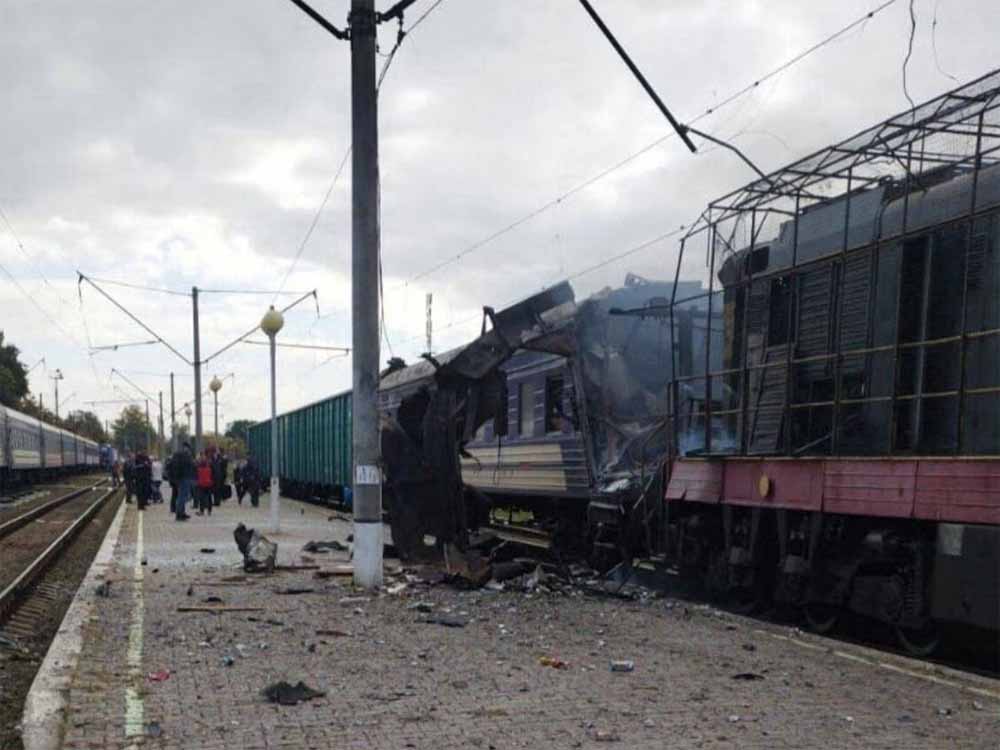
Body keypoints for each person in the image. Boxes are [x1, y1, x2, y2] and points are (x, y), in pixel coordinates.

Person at [169, 442, 195, 521]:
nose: (189, 450)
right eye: (188, 448)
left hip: (183, 478)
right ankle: (179, 514)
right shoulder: (183, 456)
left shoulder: (180, 455)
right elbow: (186, 467)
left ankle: (182, 512)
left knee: (183, 496)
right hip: (184, 478)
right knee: (182, 496)